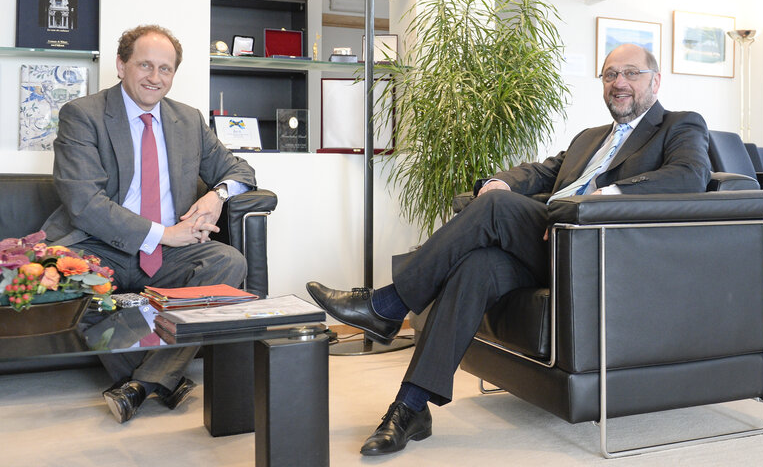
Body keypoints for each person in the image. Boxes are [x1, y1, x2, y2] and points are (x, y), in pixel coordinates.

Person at [306, 43, 712, 455]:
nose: (619, 83)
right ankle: (410, 408)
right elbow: (542, 170)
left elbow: (689, 176)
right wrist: (499, 181)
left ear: (655, 81)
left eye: (631, 73)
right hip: (546, 244)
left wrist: (596, 201)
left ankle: (388, 305)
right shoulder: (591, 138)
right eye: (610, 75)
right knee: (477, 265)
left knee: (495, 209)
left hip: (597, 249)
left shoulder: (679, 126)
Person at [42, 24, 257, 423]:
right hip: (97, 243)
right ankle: (164, 380)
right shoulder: (82, 115)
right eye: (145, 65)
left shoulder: (188, 120)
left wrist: (217, 195)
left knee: (228, 263)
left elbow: (240, 168)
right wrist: (164, 234)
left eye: (166, 69)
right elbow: (84, 204)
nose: (155, 78)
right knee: (63, 275)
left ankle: (140, 386)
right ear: (121, 65)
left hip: (169, 253)